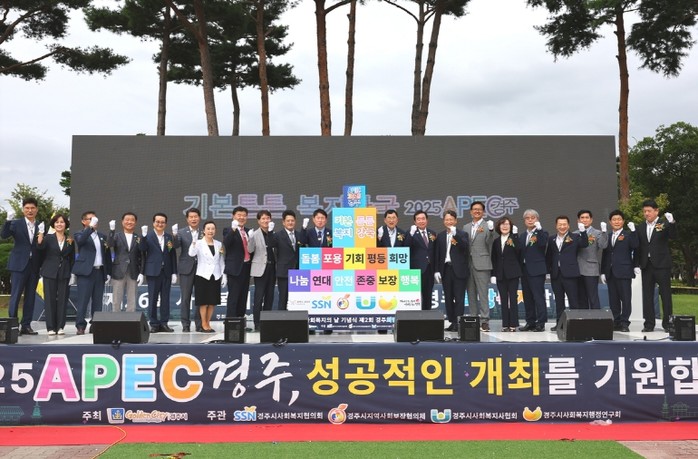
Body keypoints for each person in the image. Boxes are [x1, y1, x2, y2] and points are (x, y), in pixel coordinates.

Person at [1, 198, 42, 335]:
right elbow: (4, 235)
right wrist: (8, 221)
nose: (30, 210)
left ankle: (26, 325)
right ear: (23, 209)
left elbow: (42, 245)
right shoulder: (16, 223)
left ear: (36, 209)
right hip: (19, 265)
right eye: (27, 208)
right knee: (16, 295)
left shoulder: (41, 225)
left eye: (32, 208)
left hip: (34, 265)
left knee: (30, 297)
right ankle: (13, 326)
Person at [637, 199, 677, 333]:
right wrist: (636, 264)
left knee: (665, 295)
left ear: (656, 211)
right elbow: (639, 247)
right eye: (644, 211)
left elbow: (673, 236)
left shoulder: (664, 224)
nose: (646, 214)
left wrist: (672, 223)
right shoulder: (640, 226)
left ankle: (668, 323)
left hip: (662, 265)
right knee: (647, 296)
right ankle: (649, 324)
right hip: (646, 265)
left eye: (649, 211)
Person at [72, 211, 112, 335]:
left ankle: (95, 324)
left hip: (99, 272)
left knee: (97, 301)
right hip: (86, 272)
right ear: (83, 221)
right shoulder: (79, 234)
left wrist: (108, 272)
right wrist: (90, 228)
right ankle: (80, 325)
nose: (94, 221)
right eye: (90, 219)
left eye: (95, 219)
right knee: (83, 300)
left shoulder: (102, 236)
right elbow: (81, 241)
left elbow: (107, 255)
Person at [546, 215, 588, 331]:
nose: (562, 227)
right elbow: (549, 256)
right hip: (556, 274)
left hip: (570, 274)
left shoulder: (575, 237)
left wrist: (583, 232)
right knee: (559, 301)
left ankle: (575, 324)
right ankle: (560, 324)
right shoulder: (551, 239)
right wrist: (548, 271)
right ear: (556, 226)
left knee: (573, 300)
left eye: (564, 224)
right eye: (560, 224)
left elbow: (584, 244)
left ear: (568, 225)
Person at [601, 210, 639, 332]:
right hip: (610, 272)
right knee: (613, 300)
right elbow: (605, 254)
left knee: (626, 299)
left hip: (624, 271)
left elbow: (636, 246)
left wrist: (634, 232)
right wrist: (603, 271)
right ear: (610, 222)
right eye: (614, 220)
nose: (616, 222)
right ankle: (616, 321)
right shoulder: (608, 236)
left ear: (623, 221)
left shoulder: (628, 235)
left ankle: (624, 323)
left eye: (619, 219)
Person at [139, 213, 177, 333]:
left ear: (165, 224)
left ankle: (164, 323)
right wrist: (143, 236)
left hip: (166, 272)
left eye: (162, 222)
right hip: (153, 271)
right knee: (153, 299)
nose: (160, 224)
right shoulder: (148, 236)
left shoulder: (168, 237)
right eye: (157, 222)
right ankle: (154, 324)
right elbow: (142, 249)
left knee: (165, 299)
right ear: (153, 223)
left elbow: (172, 254)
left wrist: (174, 272)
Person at [36, 214, 74, 335]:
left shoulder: (70, 240)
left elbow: (72, 258)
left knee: (63, 299)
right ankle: (51, 327)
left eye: (62, 222)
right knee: (50, 300)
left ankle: (60, 326)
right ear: (53, 224)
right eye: (57, 222)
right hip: (49, 272)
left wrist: (72, 273)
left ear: (65, 224)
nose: (59, 224)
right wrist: (41, 234)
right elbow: (40, 247)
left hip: (64, 272)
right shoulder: (48, 238)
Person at [434, 210, 469, 332]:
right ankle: (452, 321)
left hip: (459, 270)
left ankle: (458, 322)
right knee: (448, 298)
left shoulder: (463, 234)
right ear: (444, 221)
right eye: (447, 220)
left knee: (459, 298)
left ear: (455, 221)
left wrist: (456, 235)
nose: (449, 222)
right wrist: (437, 270)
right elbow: (437, 254)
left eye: (451, 220)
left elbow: (465, 247)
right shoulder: (440, 236)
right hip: (446, 270)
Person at [188, 220, 226, 333]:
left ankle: (208, 323)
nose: (210, 231)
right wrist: (194, 242)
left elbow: (221, 260)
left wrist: (223, 274)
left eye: (212, 229)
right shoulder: (199, 242)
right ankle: (203, 323)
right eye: (208, 229)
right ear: (204, 231)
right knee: (203, 302)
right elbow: (191, 253)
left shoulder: (219, 244)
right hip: (203, 275)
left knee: (212, 302)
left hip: (215, 275)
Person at [463, 201, 495, 331]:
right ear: (471, 212)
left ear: (483, 212)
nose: (477, 211)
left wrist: (491, 231)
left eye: (479, 209)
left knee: (483, 294)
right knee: (470, 294)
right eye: (474, 209)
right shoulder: (465, 227)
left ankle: (484, 320)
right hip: (468, 264)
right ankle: (474, 318)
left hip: (482, 264)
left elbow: (489, 241)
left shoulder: (487, 226)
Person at [518, 209, 549, 332]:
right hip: (524, 270)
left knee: (538, 297)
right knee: (527, 297)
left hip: (537, 270)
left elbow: (542, 244)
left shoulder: (543, 233)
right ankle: (530, 322)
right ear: (524, 220)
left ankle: (541, 323)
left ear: (537, 219)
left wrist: (539, 230)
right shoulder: (522, 235)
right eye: (527, 218)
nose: (530, 220)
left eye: (533, 218)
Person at [248, 210, 278, 331]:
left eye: (267, 218)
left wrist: (271, 233)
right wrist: (250, 239)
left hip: (272, 268)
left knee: (270, 296)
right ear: (259, 221)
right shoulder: (254, 234)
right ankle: (257, 323)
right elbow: (250, 250)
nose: (266, 221)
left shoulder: (273, 233)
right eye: (263, 219)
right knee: (259, 297)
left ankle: (267, 322)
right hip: (260, 269)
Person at [107, 212, 143, 313]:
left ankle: (130, 320)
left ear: (135, 222)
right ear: (122, 222)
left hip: (133, 271)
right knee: (116, 300)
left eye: (132, 220)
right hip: (118, 271)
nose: (129, 222)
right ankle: (116, 319)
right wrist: (112, 230)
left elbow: (142, 256)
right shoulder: (117, 236)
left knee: (132, 300)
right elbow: (109, 244)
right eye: (127, 220)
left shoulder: (138, 238)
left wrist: (141, 272)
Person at [490, 217, 522, 332]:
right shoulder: (496, 241)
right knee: (503, 299)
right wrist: (493, 274)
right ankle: (505, 324)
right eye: (502, 224)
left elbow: (519, 251)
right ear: (499, 227)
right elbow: (494, 258)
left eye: (507, 224)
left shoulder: (514, 238)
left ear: (511, 226)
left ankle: (513, 324)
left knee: (513, 299)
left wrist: (515, 236)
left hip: (513, 273)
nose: (505, 226)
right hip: (500, 274)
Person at [174, 208, 202, 332]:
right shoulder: (181, 232)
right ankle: (185, 324)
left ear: (199, 218)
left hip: (202, 268)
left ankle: (199, 324)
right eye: (191, 217)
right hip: (186, 268)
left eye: (195, 216)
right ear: (187, 219)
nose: (193, 219)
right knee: (185, 298)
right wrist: (174, 236)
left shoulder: (204, 231)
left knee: (200, 298)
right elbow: (175, 246)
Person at [222, 206, 252, 318]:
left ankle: (240, 320)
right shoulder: (228, 230)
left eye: (244, 215)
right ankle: (231, 321)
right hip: (234, 268)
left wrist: (252, 239)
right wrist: (233, 230)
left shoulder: (248, 231)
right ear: (233, 216)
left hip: (247, 267)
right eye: (239, 215)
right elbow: (226, 244)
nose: (241, 217)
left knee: (243, 296)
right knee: (234, 296)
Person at [575, 210, 608, 309]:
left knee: (593, 297)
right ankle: (583, 318)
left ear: (591, 220)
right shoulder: (574, 234)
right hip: (577, 269)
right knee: (581, 298)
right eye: (582, 218)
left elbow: (603, 245)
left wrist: (604, 232)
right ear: (578, 220)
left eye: (587, 217)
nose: (584, 220)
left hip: (591, 269)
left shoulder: (597, 233)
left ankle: (596, 318)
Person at [407, 210, 437, 310]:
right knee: (415, 296)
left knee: (428, 295)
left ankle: (427, 316)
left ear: (427, 220)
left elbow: (435, 252)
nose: (421, 221)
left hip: (429, 269)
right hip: (415, 269)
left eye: (423, 219)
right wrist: (410, 234)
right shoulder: (411, 233)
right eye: (418, 219)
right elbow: (406, 247)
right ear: (415, 222)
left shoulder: (432, 233)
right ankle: (416, 316)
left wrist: (436, 270)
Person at [275, 210, 300, 311]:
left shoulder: (299, 235)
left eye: (292, 220)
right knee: (283, 298)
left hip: (298, 272)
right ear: (283, 222)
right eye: (288, 221)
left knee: (297, 299)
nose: (290, 222)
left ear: (295, 221)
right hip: (284, 272)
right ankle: (282, 319)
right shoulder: (277, 235)